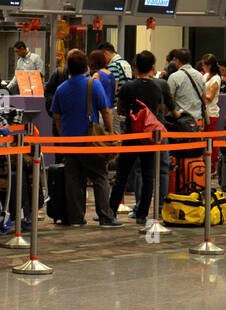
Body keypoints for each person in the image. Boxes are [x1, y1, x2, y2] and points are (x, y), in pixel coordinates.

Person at [51, 49, 120, 228]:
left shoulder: (61, 89)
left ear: (68, 69)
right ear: (86, 67)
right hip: (90, 141)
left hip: (69, 142)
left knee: (73, 180)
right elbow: (105, 110)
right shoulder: (93, 84)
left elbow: (56, 116)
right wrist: (110, 131)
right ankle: (105, 217)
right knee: (100, 177)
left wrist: (62, 134)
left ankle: (76, 218)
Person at [111, 50, 168, 224]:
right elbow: (159, 110)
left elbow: (120, 109)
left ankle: (111, 211)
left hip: (131, 134)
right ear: (153, 67)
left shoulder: (128, 87)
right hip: (150, 136)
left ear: (135, 67)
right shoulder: (157, 87)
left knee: (122, 174)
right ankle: (142, 214)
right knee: (148, 174)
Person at [165, 48, 207, 129]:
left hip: (181, 122)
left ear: (178, 60)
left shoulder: (174, 77)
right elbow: (204, 99)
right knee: (197, 141)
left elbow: (170, 101)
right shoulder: (200, 75)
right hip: (197, 120)